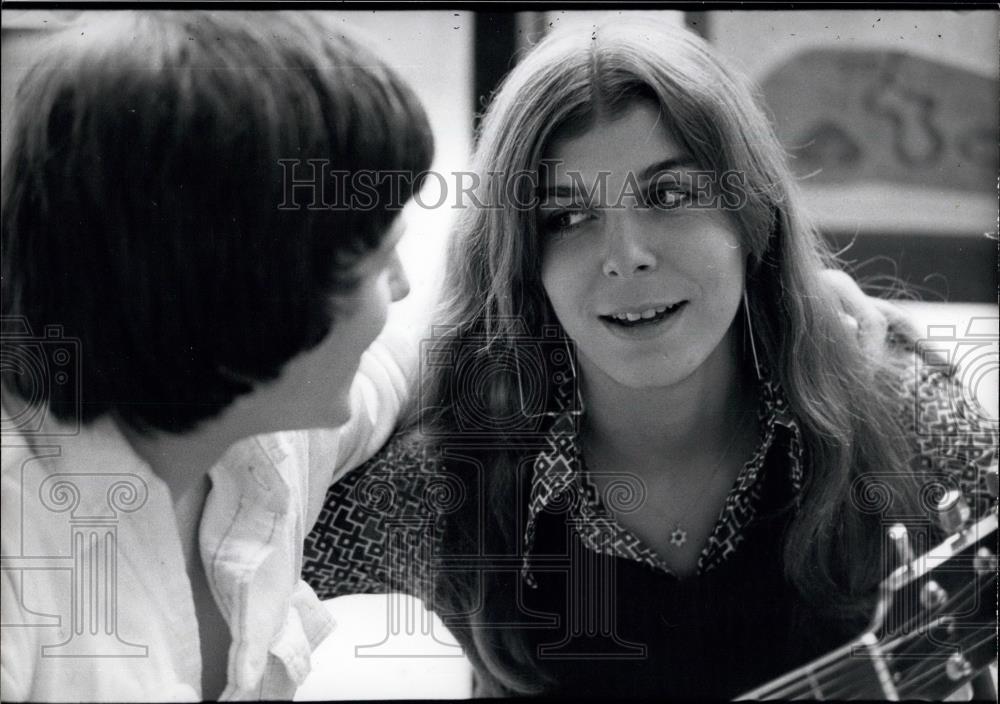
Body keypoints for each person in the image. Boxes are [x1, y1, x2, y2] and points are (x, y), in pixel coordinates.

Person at [301, 17, 997, 699]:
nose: (625, 255)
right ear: (523, 263)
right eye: (567, 218)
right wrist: (410, 361)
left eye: (669, 194)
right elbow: (225, 540)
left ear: (750, 219)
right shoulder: (453, 475)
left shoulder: (904, 417)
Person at [0, 11, 432, 701]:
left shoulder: (264, 440)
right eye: (382, 260)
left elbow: (409, 359)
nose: (404, 288)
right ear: (259, 283)